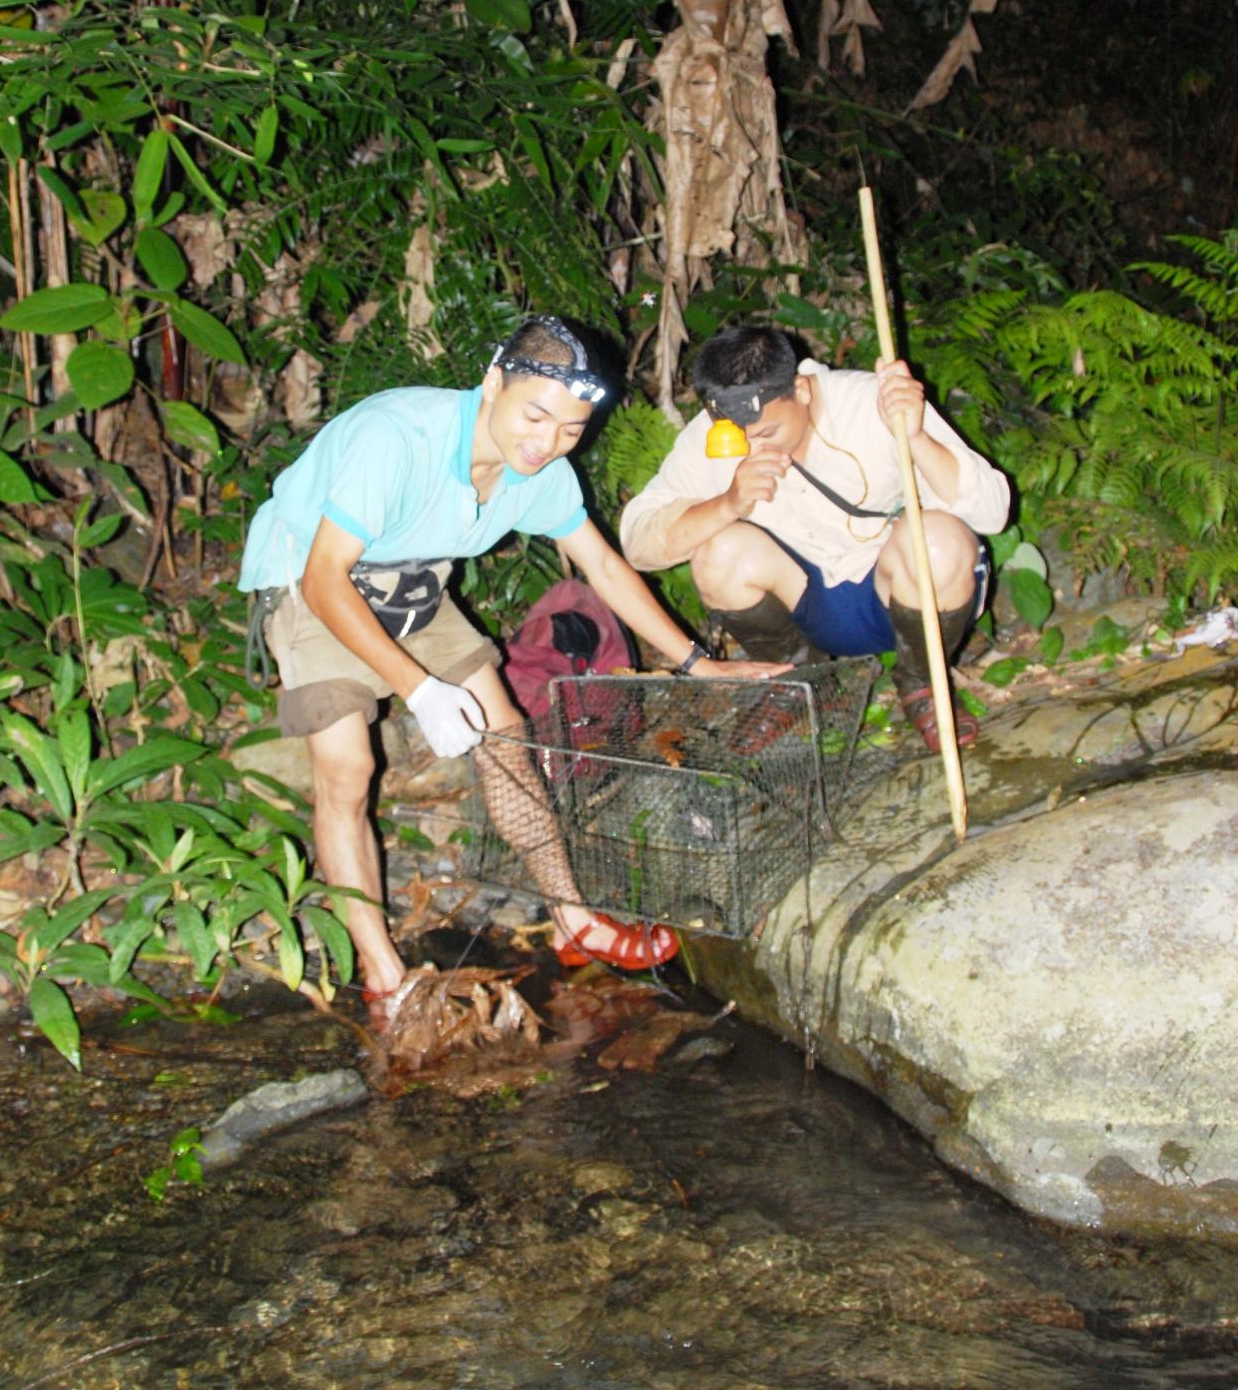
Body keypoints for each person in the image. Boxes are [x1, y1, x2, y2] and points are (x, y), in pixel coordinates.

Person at [238, 316, 780, 1018]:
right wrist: (420, 689)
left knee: (506, 734)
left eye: (570, 429)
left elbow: (606, 567)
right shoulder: (397, 440)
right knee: (348, 766)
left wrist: (697, 666)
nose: (547, 441)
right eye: (535, 414)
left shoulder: (540, 472)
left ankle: (572, 917)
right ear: (493, 382)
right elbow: (324, 581)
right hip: (311, 574)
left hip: (411, 578)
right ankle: (382, 972)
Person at [619, 325, 1011, 749]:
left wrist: (914, 437)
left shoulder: (870, 403)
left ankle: (922, 685)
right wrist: (728, 503)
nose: (752, 448)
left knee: (938, 539)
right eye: (738, 439)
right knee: (719, 552)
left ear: (802, 390)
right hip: (810, 599)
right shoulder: (713, 437)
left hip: (899, 591)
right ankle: (799, 683)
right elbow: (638, 544)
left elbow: (992, 512)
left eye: (766, 434)